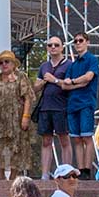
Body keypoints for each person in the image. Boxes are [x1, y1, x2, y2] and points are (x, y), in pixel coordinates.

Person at [0, 50, 33, 180]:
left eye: (7, 61)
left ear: (13, 64)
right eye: (1, 62)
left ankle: (13, 177)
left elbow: (28, 97)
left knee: (16, 146)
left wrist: (26, 116)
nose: (4, 64)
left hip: (16, 118)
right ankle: (0, 177)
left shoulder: (21, 77)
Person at [62, 32, 99, 176]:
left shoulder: (91, 59)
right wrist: (78, 83)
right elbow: (64, 85)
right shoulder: (72, 65)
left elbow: (89, 77)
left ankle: (87, 169)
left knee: (86, 137)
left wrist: (73, 82)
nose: (78, 43)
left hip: (86, 103)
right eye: (76, 41)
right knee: (77, 139)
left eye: (80, 40)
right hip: (72, 104)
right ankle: (80, 170)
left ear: (87, 42)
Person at [35, 35, 73, 171]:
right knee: (46, 141)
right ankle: (45, 174)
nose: (53, 47)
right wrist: (42, 82)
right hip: (45, 107)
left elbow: (70, 85)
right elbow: (35, 87)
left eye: (56, 45)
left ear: (62, 47)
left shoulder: (69, 65)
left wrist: (54, 80)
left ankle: (66, 171)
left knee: (64, 139)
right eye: (50, 45)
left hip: (61, 107)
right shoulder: (44, 66)